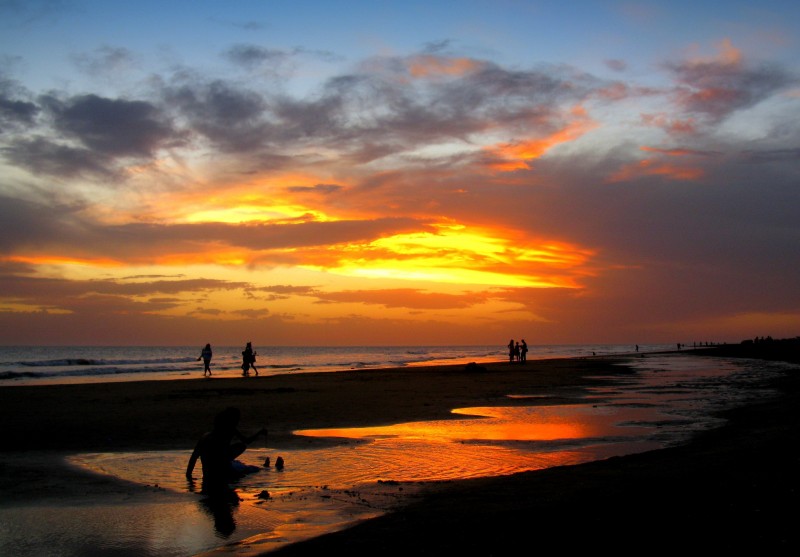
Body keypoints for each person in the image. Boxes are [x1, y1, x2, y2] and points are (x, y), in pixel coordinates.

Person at [185, 407, 267, 496]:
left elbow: (193, 458)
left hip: (210, 476)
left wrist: (189, 479)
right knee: (242, 474)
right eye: (235, 421)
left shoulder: (206, 437)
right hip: (218, 475)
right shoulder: (221, 437)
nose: (236, 424)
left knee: (240, 448)